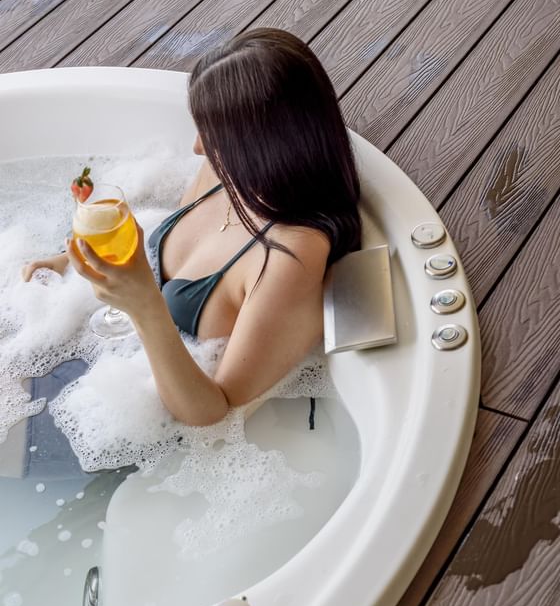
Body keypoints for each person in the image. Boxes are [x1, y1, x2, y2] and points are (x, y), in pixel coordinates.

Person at [22, 28, 361, 426]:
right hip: (95, 373)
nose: (198, 146)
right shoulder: (229, 172)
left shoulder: (292, 254)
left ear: (261, 144)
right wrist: (72, 260)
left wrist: (144, 307)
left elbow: (212, 410)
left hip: (133, 424)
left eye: (213, 134)